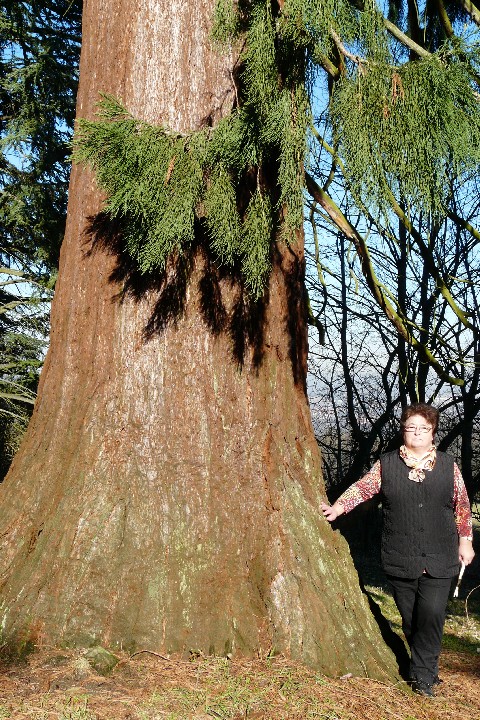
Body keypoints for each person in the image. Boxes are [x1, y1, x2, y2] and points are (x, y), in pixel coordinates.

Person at [321, 403, 475, 698]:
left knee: (430, 614)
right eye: (411, 427)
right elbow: (364, 488)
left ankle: (423, 676)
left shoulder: (447, 466)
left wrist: (465, 541)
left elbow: (463, 506)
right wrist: (338, 506)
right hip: (400, 554)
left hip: (441, 555)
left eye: (424, 428)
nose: (417, 433)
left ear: (433, 433)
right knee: (410, 619)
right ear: (403, 430)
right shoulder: (387, 464)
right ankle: (423, 664)